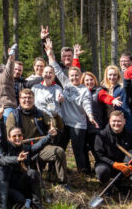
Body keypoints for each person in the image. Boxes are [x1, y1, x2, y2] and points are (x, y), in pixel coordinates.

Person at [45, 39, 97, 174]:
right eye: (72, 76)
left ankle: (83, 173)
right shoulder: (66, 83)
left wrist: (90, 116)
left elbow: (86, 104)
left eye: (76, 76)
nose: (74, 78)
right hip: (64, 123)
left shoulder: (84, 90)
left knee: (78, 150)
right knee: (59, 147)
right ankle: (55, 170)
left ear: (81, 76)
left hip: (78, 125)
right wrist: (50, 54)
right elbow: (55, 67)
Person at [4, 88, 67, 186]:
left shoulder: (41, 113)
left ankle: (62, 182)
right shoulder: (13, 115)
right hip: (22, 149)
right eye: (24, 98)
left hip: (41, 147)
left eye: (30, 98)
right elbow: (10, 134)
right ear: (19, 100)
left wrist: (52, 127)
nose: (27, 100)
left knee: (59, 151)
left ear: (34, 99)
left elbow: (52, 122)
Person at [93, 111, 132, 195]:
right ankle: (107, 185)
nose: (116, 123)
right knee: (101, 171)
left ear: (124, 122)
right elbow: (99, 155)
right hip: (108, 165)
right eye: (114, 121)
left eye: (119, 121)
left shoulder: (130, 135)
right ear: (109, 121)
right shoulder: (101, 135)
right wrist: (114, 164)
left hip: (125, 167)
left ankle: (123, 183)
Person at [98, 65, 132, 132]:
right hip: (107, 122)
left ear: (118, 76)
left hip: (122, 122)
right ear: (106, 76)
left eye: (114, 75)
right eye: (110, 75)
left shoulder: (122, 88)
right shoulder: (103, 89)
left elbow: (124, 107)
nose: (112, 77)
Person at [83, 71, 106, 173]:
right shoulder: (81, 92)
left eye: (91, 79)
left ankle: (102, 169)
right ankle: (86, 171)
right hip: (83, 126)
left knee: (96, 150)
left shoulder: (99, 91)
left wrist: (113, 100)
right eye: (86, 80)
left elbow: (107, 98)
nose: (89, 82)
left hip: (95, 127)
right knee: (83, 150)